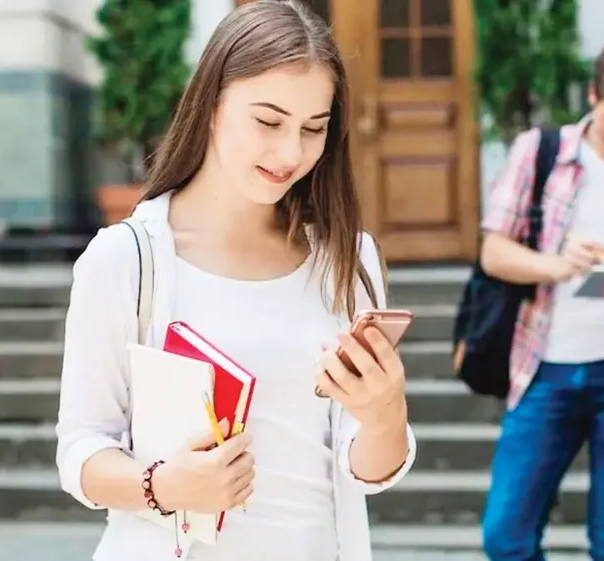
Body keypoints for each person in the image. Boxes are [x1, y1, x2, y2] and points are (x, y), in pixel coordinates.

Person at [54, 2, 416, 560]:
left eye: (313, 128)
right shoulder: (127, 260)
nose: (290, 152)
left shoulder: (348, 259)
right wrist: (164, 486)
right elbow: (82, 452)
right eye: (268, 122)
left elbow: (366, 471)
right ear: (212, 105)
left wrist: (385, 414)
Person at [478, 35, 604, 561]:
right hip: (543, 370)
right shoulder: (540, 152)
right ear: (592, 95)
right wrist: (558, 265)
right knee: (506, 536)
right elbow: (494, 252)